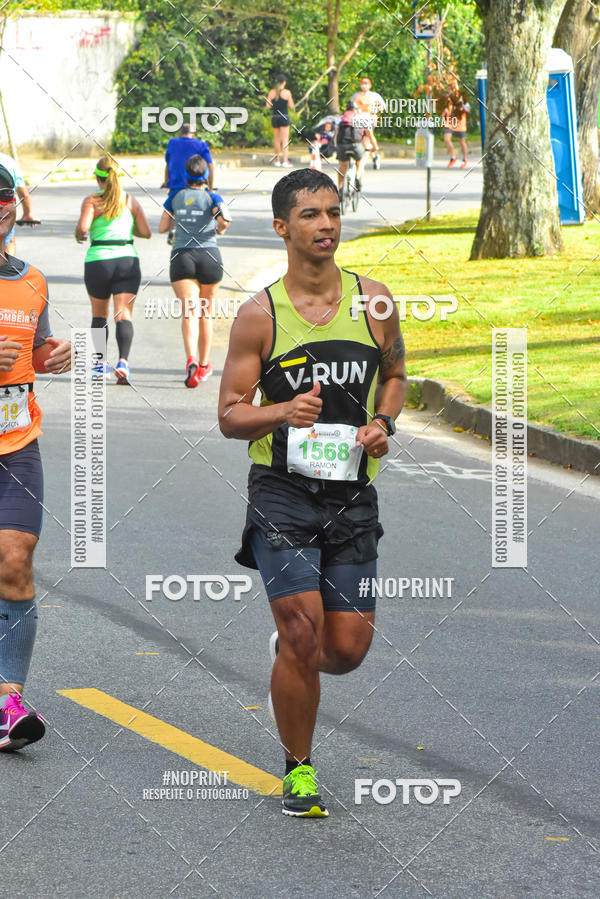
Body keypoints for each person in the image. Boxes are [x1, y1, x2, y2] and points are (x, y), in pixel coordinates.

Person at [218, 168, 406, 817]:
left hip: (351, 496)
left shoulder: (375, 302)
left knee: (346, 649)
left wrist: (384, 422)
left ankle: (289, 656)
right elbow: (228, 415)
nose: (326, 223)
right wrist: (280, 413)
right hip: (283, 491)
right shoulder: (259, 314)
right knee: (303, 631)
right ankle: (299, 769)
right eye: (309, 215)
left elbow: (398, 376)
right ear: (281, 227)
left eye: (332, 211)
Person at [0, 163, 72, 751]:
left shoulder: (34, 282)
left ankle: (7, 699)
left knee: (16, 558)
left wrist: (54, 355)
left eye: (2, 197)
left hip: (17, 444)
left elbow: (34, 352)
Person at [75, 156, 151, 384]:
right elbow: (146, 232)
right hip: (127, 258)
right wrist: (127, 231)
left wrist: (79, 235)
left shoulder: (92, 201)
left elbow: (83, 228)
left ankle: (99, 365)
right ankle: (123, 363)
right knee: (123, 314)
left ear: (99, 179)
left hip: (98, 260)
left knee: (99, 314)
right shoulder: (129, 201)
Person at [158, 155, 231, 388]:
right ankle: (204, 364)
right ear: (205, 176)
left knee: (189, 312)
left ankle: (190, 359)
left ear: (186, 175)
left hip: (182, 257)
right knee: (205, 313)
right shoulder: (213, 197)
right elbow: (224, 222)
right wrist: (216, 226)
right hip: (210, 256)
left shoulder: (175, 197)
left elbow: (162, 227)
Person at [0, 151, 40, 256]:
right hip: (6, 209)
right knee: (8, 240)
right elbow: (22, 191)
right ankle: (8, 270)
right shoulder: (8, 161)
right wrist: (28, 213)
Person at [352, 76, 385, 169]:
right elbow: (351, 107)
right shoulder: (356, 96)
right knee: (364, 141)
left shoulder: (374, 96)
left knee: (366, 141)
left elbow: (382, 107)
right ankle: (375, 156)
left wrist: (375, 113)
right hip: (358, 120)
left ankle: (360, 166)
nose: (364, 86)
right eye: (362, 83)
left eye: (366, 84)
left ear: (370, 85)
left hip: (369, 120)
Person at [335, 100, 367, 192]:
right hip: (356, 145)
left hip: (342, 145)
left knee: (342, 165)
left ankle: (340, 188)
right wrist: (373, 146)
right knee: (360, 159)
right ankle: (357, 175)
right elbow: (367, 133)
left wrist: (335, 146)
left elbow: (336, 133)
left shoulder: (340, 118)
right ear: (356, 109)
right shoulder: (360, 117)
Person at [266, 75, 295, 167]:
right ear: (284, 82)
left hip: (275, 117)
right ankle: (285, 161)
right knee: (285, 140)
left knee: (276, 140)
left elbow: (268, 106)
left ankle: (277, 160)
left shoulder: (271, 92)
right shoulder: (287, 93)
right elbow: (291, 106)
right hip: (284, 117)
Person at [442, 91, 470, 168]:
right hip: (450, 122)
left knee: (462, 142)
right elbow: (446, 107)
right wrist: (444, 113)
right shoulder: (448, 97)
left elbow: (468, 110)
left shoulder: (463, 98)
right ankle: (453, 157)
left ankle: (465, 159)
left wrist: (462, 107)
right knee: (447, 139)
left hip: (460, 123)